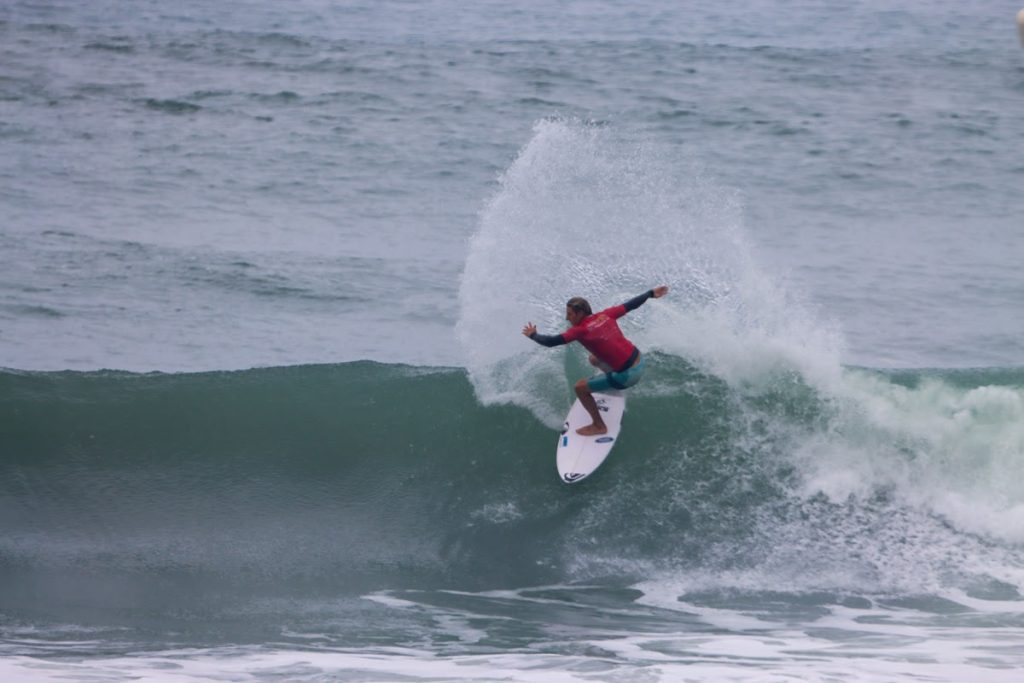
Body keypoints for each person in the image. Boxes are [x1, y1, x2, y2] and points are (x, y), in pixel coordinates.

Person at [522, 285, 669, 436]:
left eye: (570, 314)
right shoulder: (606, 315)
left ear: (580, 313)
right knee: (594, 359)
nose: (567, 318)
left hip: (628, 376)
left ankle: (599, 426)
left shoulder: (580, 330)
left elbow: (552, 341)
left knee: (579, 388)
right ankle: (614, 381)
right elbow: (631, 304)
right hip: (639, 360)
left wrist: (533, 335)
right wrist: (650, 293)